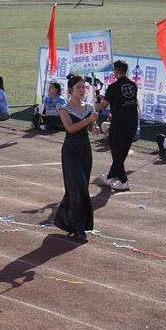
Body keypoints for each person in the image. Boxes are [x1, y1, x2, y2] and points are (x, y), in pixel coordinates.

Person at [55, 74, 98, 243]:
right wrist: (88, 120)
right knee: (75, 187)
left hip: (85, 151)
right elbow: (70, 128)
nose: (81, 90)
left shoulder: (89, 107)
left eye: (83, 87)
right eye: (78, 87)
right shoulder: (64, 109)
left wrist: (95, 127)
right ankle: (79, 228)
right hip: (70, 151)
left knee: (82, 188)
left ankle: (64, 220)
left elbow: (93, 128)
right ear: (70, 90)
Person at [95, 60, 138, 191]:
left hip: (120, 123)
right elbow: (120, 98)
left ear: (116, 71)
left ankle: (123, 180)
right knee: (122, 151)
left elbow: (102, 106)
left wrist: (95, 103)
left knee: (116, 151)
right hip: (132, 122)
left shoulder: (113, 87)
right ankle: (110, 177)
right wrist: (103, 96)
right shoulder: (133, 85)